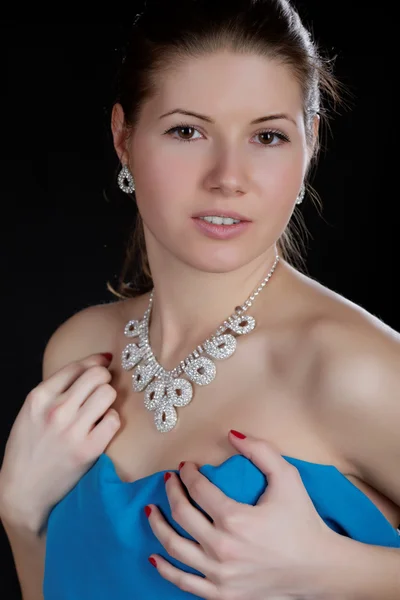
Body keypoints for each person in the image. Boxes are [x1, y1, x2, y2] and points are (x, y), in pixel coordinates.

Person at [1, 0, 400, 598]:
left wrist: (335, 570)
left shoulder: (352, 370)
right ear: (123, 137)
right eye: (187, 131)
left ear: (309, 142)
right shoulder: (81, 354)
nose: (228, 176)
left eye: (267, 136)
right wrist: (20, 517)